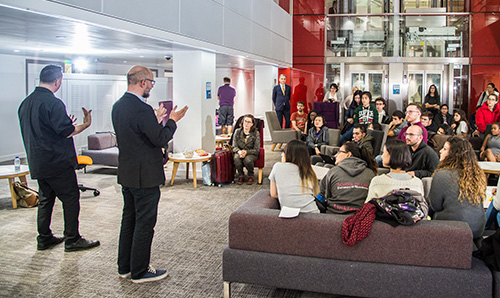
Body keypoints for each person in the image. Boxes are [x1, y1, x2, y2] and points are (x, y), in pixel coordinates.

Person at [112, 65, 188, 283]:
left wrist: (154, 120)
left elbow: (137, 135)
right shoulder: (141, 109)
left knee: (129, 221)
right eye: (152, 83)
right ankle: (140, 271)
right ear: (142, 82)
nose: (152, 87)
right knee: (145, 224)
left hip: (127, 173)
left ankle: (125, 267)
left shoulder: (118, 106)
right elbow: (160, 139)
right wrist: (172, 120)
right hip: (144, 175)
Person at [18, 64, 100, 252]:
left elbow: (44, 130)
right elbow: (67, 132)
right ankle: (73, 239)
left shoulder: (26, 103)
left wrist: (64, 125)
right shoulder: (53, 103)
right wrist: (85, 124)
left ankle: (44, 237)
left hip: (38, 160)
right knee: (71, 198)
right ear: (57, 81)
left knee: (46, 198)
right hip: (57, 161)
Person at [429, 137, 486, 239]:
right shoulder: (477, 174)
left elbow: (435, 206)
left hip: (453, 228)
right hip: (478, 228)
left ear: (453, 154)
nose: (441, 151)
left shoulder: (442, 174)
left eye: (445, 149)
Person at [365, 139, 428, 216]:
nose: (382, 156)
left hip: (384, 224)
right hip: (412, 224)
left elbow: (368, 209)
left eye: (384, 153)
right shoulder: (417, 182)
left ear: (392, 156)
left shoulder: (378, 181)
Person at [319, 142, 377, 214]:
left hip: (333, 216)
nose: (335, 155)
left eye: (339, 152)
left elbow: (324, 196)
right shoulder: (370, 173)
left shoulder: (333, 172)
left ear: (348, 154)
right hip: (359, 219)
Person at [269, 140, 320, 213]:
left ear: (288, 154)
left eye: (284, 152)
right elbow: (315, 194)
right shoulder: (309, 171)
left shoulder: (277, 167)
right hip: (313, 214)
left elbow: (273, 194)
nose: (282, 155)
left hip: (289, 215)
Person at [232, 114, 260, 185]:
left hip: (251, 153)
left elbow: (256, 149)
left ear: (252, 124)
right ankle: (241, 175)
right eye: (245, 121)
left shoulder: (256, 133)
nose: (246, 124)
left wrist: (246, 152)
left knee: (247, 159)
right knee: (236, 158)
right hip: (239, 152)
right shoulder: (237, 131)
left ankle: (251, 175)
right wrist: (239, 151)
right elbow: (234, 146)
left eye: (248, 122)